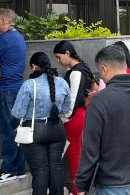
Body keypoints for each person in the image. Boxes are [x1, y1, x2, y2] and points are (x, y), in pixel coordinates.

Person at [74, 45, 130, 195]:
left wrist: (81, 186)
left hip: (111, 184)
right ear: (125, 65)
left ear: (104, 69)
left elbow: (90, 149)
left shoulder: (99, 101)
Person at [12, 52, 72, 195]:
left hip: (34, 131)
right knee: (56, 169)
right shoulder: (62, 82)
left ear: (33, 66)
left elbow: (17, 112)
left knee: (40, 173)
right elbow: (66, 109)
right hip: (57, 129)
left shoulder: (29, 84)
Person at [0, 8, 27, 184]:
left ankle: (8, 169)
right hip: (16, 88)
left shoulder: (4, 39)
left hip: (5, 90)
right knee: (14, 129)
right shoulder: (18, 36)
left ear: (4, 21)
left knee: (7, 131)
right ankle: (19, 168)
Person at [53, 41, 96, 195]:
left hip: (74, 118)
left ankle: (77, 191)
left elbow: (72, 98)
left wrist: (64, 117)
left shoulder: (76, 72)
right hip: (80, 115)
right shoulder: (83, 68)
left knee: (75, 156)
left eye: (59, 57)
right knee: (76, 155)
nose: (58, 61)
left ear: (67, 53)